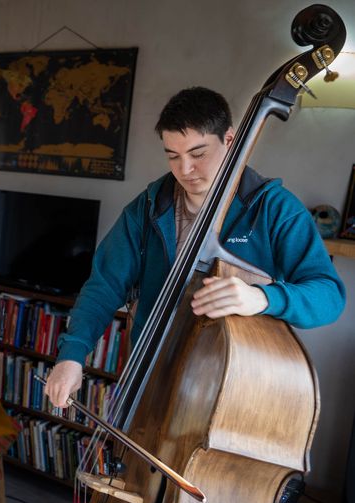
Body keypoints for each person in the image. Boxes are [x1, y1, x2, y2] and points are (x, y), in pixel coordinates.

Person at [45, 86, 346, 408]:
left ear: (230, 140)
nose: (184, 170)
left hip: (237, 389)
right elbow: (104, 285)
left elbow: (329, 296)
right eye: (173, 156)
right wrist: (72, 354)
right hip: (152, 374)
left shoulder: (275, 208)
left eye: (198, 154)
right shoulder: (149, 207)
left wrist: (262, 297)